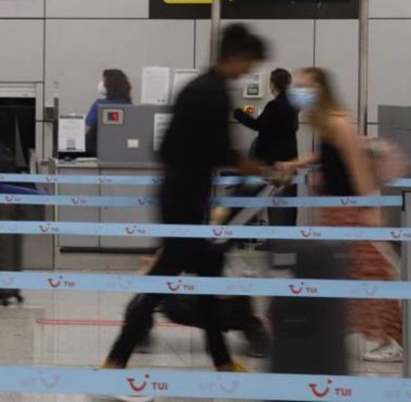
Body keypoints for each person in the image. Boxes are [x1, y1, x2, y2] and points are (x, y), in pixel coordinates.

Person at [103, 24, 269, 379]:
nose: (248, 72)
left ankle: (221, 360)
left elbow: (167, 147)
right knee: (163, 281)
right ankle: (116, 358)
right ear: (236, 55)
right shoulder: (212, 92)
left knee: (207, 278)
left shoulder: (199, 87)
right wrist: (257, 167)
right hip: (185, 201)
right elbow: (221, 150)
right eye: (249, 64)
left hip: (182, 195)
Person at [279, 68, 402, 363]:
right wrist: (296, 163)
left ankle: (392, 339)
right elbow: (328, 155)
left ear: (320, 88)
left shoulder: (337, 121)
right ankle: (342, 326)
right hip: (335, 210)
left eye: (304, 85)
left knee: (369, 272)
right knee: (341, 270)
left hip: (350, 211)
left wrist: (369, 209)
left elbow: (356, 162)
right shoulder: (325, 122)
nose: (298, 90)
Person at [233, 68, 299, 226]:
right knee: (284, 206)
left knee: (252, 199)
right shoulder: (292, 106)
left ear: (273, 84)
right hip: (287, 162)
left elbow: (258, 125)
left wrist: (238, 113)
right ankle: (281, 240)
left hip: (272, 163)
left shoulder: (274, 105)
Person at [85, 69, 132, 156]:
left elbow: (87, 128)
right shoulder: (129, 105)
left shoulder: (99, 104)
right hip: (122, 151)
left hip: (97, 151)